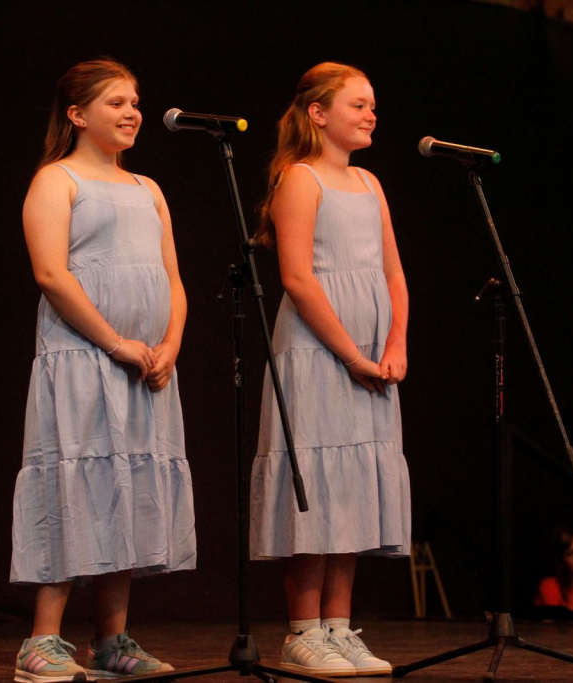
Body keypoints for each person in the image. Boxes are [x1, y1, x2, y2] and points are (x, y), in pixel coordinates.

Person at [10, 59, 195, 683]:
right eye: (116, 101)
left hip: (143, 367)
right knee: (74, 483)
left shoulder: (149, 189)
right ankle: (42, 641)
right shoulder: (56, 181)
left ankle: (112, 641)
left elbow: (173, 278)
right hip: (85, 360)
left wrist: (169, 342)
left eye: (135, 101)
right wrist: (116, 342)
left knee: (127, 487)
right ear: (77, 113)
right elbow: (51, 274)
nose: (132, 112)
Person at [249, 62, 411, 677]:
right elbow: (296, 276)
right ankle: (303, 631)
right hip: (321, 351)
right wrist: (352, 354)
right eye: (358, 104)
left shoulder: (370, 183)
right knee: (315, 483)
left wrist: (395, 342)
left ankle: (339, 628)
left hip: (370, 352)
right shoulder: (300, 178)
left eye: (373, 105)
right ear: (318, 113)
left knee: (353, 483)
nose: (371, 114)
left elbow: (394, 273)